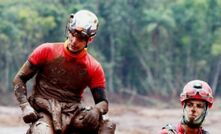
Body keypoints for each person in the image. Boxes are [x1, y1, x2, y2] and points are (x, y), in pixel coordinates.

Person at [13, 9, 116, 134]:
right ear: (68, 30)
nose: (74, 41)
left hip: (72, 111)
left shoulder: (93, 67)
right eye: (72, 34)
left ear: (89, 40)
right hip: (44, 110)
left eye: (80, 38)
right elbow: (20, 78)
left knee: (107, 123)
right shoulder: (46, 50)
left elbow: (102, 102)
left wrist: (96, 111)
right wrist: (25, 106)